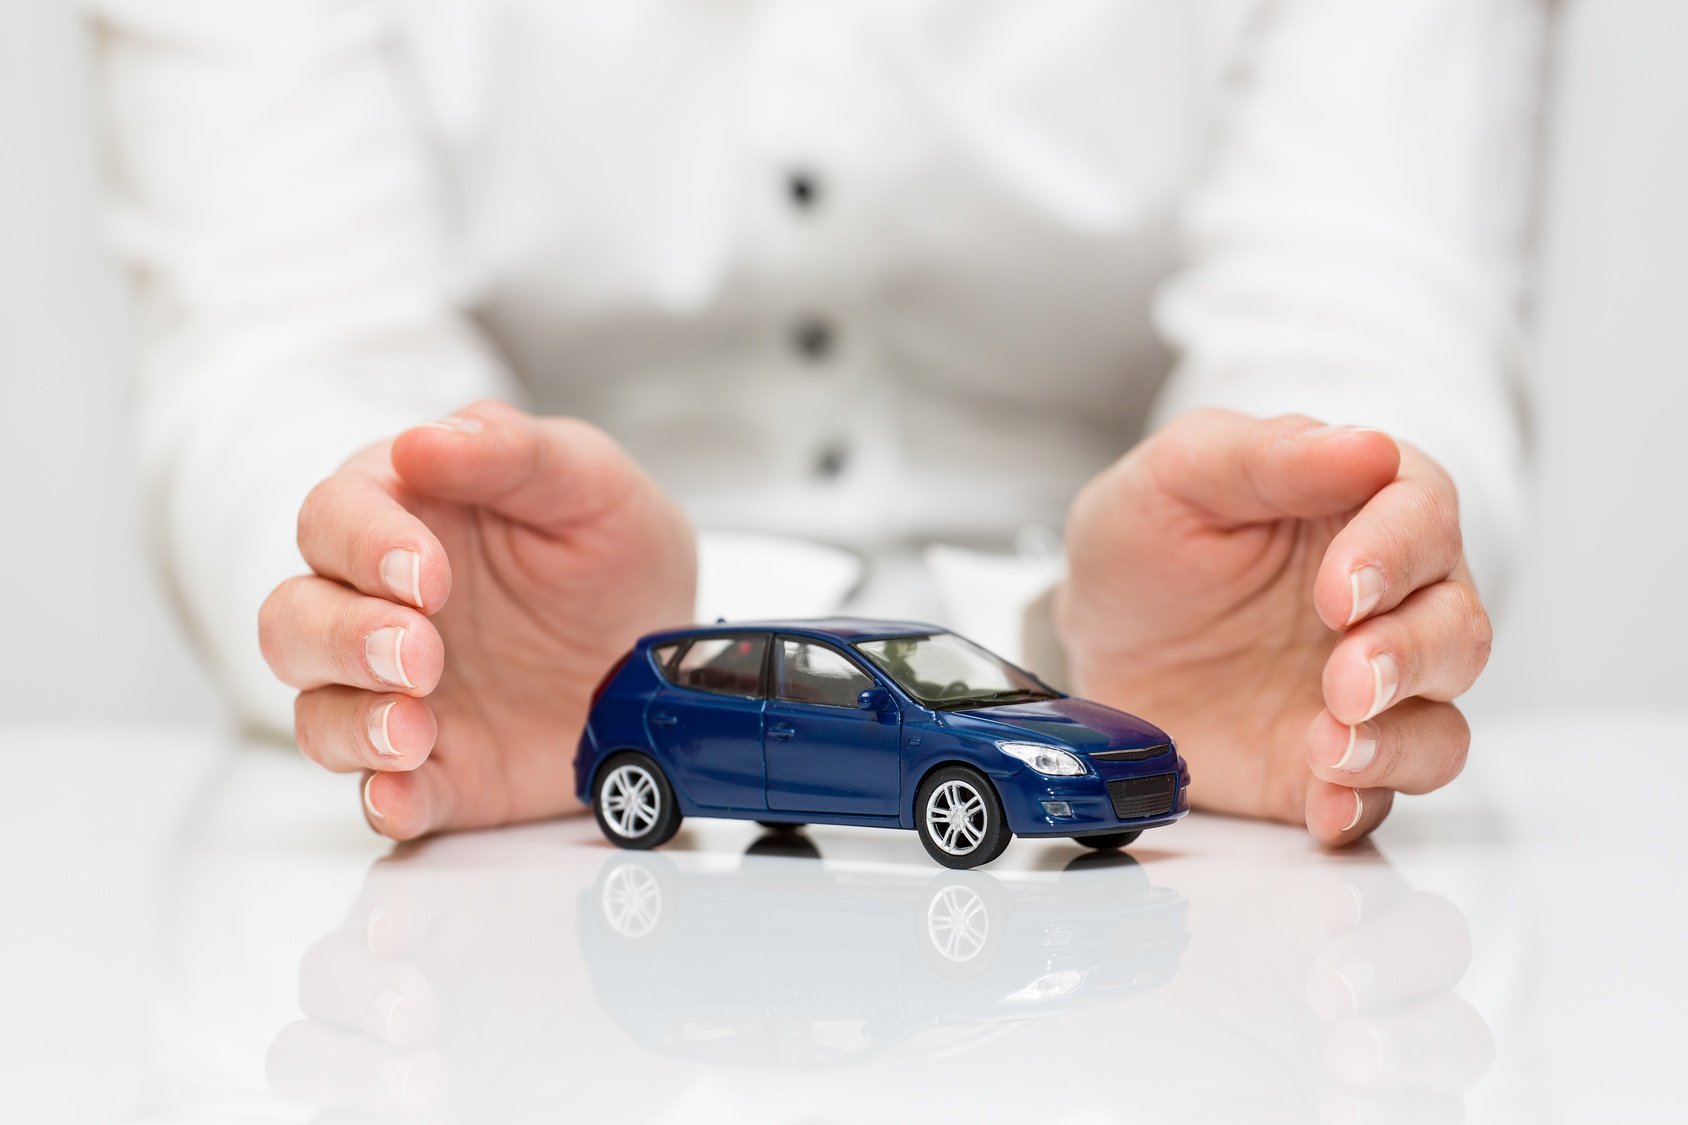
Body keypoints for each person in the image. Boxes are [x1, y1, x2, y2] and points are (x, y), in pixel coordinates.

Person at [92, 1, 1543, 846]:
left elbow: (1373, 287)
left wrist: (1302, 579)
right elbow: (278, 334)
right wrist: (416, 593)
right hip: (515, 791)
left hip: (1176, 740)